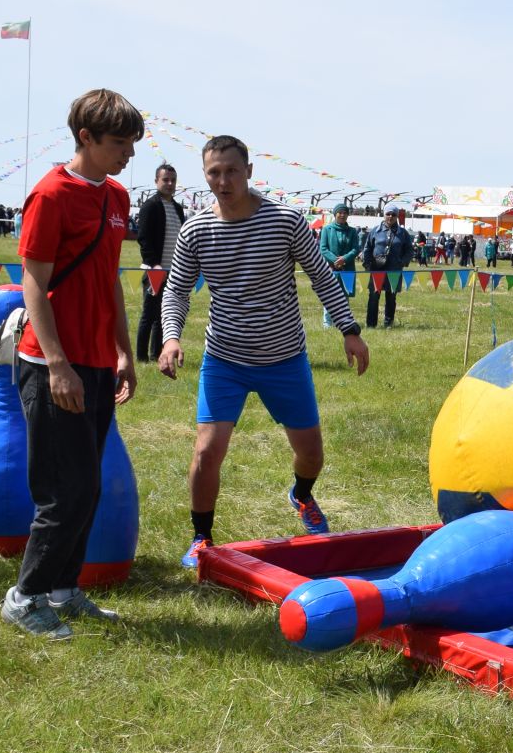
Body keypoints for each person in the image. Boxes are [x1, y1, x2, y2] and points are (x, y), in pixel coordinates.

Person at [159, 135, 368, 566]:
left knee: (311, 453)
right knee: (206, 451)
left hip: (284, 357)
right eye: (214, 173)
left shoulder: (285, 221)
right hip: (225, 360)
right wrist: (171, 337)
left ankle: (302, 494)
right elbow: (176, 289)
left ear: (249, 171)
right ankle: (202, 538)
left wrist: (349, 329)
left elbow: (322, 276)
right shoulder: (196, 229)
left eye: (232, 170)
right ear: (205, 176)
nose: (223, 180)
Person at [1, 89, 142, 641]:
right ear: (86, 138)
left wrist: (124, 352)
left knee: (90, 486)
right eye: (118, 143)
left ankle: (63, 590)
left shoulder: (119, 197)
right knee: (66, 490)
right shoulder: (50, 195)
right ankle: (24, 596)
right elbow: (33, 283)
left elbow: (109, 279)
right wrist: (57, 363)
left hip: (96, 363)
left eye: (132, 142)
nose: (128, 153)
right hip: (49, 362)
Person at [133, 164, 184, 360]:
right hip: (153, 270)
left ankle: (156, 354)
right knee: (149, 315)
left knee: (164, 316)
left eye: (173, 180)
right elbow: (143, 239)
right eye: (165, 180)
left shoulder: (178, 209)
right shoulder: (150, 206)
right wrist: (154, 264)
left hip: (173, 271)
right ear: (156, 181)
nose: (170, 184)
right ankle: (141, 357)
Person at [360, 203, 413, 328]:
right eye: (388, 214)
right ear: (384, 215)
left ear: (397, 216)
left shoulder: (403, 233)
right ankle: (371, 324)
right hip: (376, 270)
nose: (390, 217)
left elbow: (410, 251)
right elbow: (367, 248)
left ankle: (388, 323)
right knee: (373, 297)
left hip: (394, 271)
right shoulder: (375, 231)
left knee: (391, 297)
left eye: (393, 214)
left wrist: (402, 262)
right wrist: (367, 264)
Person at [316, 199, 363, 328]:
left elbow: (355, 249)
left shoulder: (353, 231)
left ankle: (343, 322)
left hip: (347, 268)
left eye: (345, 213)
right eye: (340, 212)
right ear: (335, 214)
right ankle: (327, 323)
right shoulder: (326, 229)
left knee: (344, 296)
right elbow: (323, 248)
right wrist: (336, 260)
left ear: (348, 215)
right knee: (329, 295)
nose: (342, 215)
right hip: (330, 268)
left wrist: (345, 259)